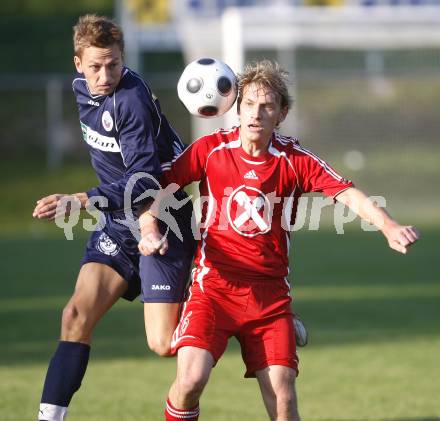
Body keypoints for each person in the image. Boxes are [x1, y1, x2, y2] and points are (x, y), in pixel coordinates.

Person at [139, 60, 420, 421]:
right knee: (191, 379)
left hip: (269, 298)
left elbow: (347, 194)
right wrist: (149, 227)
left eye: (267, 106)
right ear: (237, 108)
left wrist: (387, 225)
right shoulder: (210, 150)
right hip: (215, 290)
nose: (256, 114)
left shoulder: (293, 159)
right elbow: (155, 190)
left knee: (284, 400)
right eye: (249, 104)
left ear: (281, 113)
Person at [32, 15, 195, 421]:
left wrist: (80, 199)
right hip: (119, 222)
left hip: (164, 219)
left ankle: (247, 326)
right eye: (95, 66)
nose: (105, 75)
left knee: (161, 343)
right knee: (74, 316)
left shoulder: (130, 100)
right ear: (77, 64)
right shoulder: (80, 89)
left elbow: (144, 183)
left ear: (123, 59)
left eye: (114, 64)